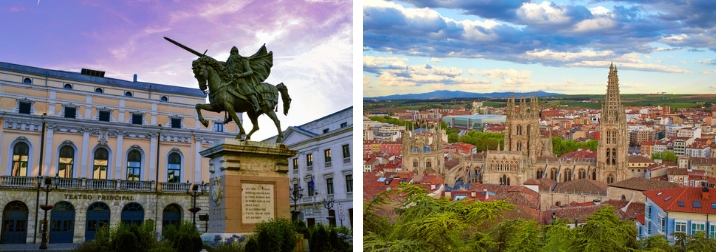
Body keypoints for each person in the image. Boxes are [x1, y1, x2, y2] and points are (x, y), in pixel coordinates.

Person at [226, 46, 261, 113]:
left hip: (241, 80)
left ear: (237, 53)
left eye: (234, 52)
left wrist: (240, 75)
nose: (233, 54)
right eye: (232, 53)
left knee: (249, 92)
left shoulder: (243, 60)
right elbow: (217, 63)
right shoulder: (228, 62)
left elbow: (250, 71)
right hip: (230, 81)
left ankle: (257, 105)